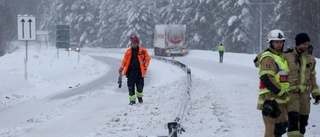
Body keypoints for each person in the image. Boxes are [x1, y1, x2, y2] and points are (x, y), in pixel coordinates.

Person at [282, 33, 320, 137]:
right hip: (291, 96)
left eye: (307, 44)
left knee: (302, 125)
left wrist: (316, 93)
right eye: (303, 44)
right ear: (298, 43)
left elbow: (312, 78)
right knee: (293, 123)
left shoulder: (311, 59)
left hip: (305, 97)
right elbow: (273, 58)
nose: (305, 46)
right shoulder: (287, 56)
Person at [257, 29, 289, 137]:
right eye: (276, 42)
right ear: (270, 43)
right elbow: (267, 78)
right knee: (272, 131)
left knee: (279, 130)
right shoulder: (268, 57)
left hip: (280, 101)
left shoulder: (279, 57)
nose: (279, 44)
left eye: (280, 42)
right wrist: (281, 91)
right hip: (270, 101)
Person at [119, 35, 151, 105]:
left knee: (140, 87)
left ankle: (139, 97)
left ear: (138, 43)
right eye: (133, 42)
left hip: (139, 73)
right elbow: (124, 61)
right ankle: (132, 101)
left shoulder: (143, 51)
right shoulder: (128, 52)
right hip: (130, 73)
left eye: (135, 42)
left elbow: (147, 59)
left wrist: (145, 68)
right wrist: (121, 69)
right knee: (130, 87)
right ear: (131, 43)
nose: (134, 44)